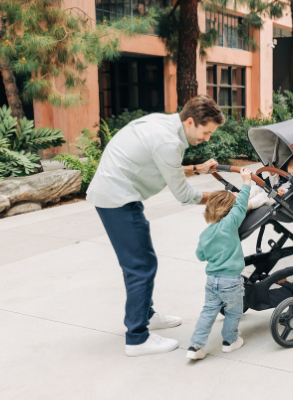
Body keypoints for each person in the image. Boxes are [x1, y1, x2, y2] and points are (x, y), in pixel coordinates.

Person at [86, 95, 225, 357]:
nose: (207, 138)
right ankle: (137, 338)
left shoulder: (164, 124)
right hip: (117, 199)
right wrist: (222, 198)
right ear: (191, 122)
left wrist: (197, 169)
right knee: (141, 266)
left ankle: (146, 314)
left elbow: (164, 166)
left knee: (138, 262)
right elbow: (184, 195)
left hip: (117, 195)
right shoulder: (169, 141)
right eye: (206, 132)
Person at [186, 168, 253, 360]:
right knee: (233, 312)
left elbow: (200, 255)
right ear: (229, 209)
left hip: (211, 281)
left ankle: (195, 347)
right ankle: (230, 341)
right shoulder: (231, 222)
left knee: (207, 313)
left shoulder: (206, 233)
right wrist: (246, 181)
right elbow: (241, 204)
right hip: (231, 281)